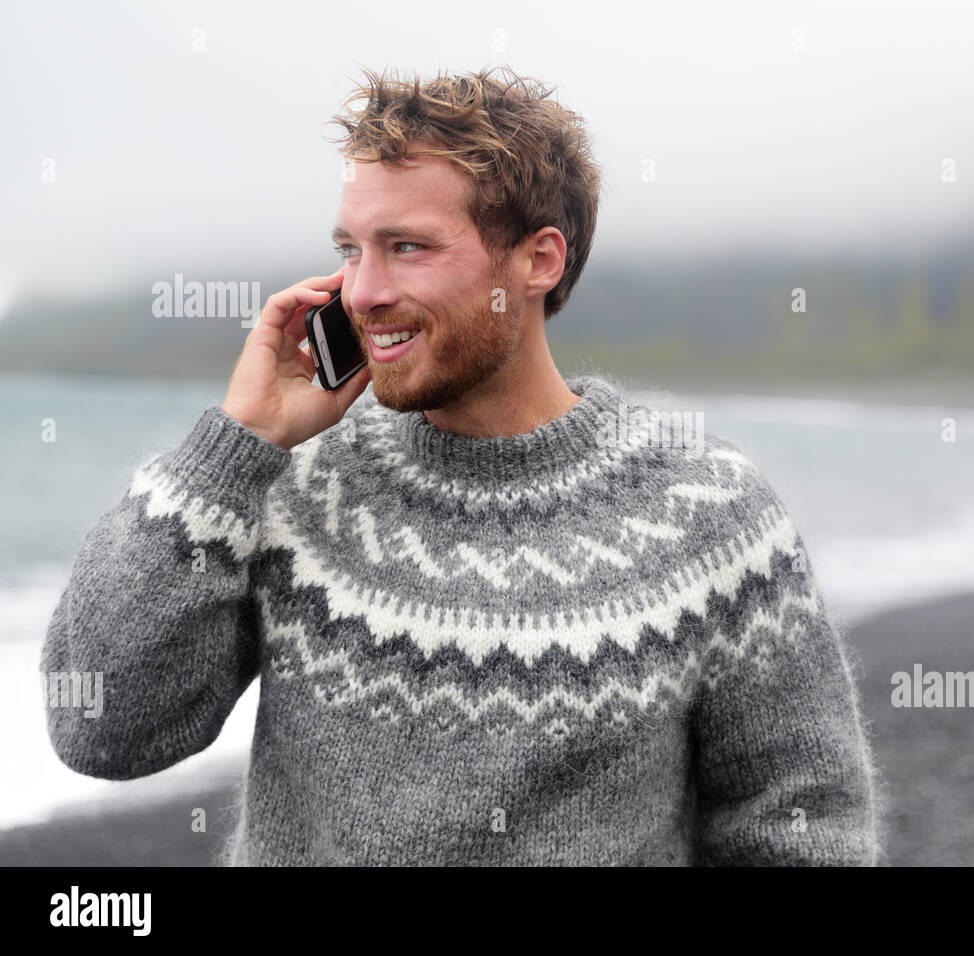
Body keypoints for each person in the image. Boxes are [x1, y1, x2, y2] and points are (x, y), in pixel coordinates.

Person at [40, 65, 887, 865]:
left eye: (407, 247)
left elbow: (802, 831)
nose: (362, 292)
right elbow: (103, 728)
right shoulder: (294, 484)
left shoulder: (709, 510)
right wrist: (233, 449)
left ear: (537, 261)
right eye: (351, 248)